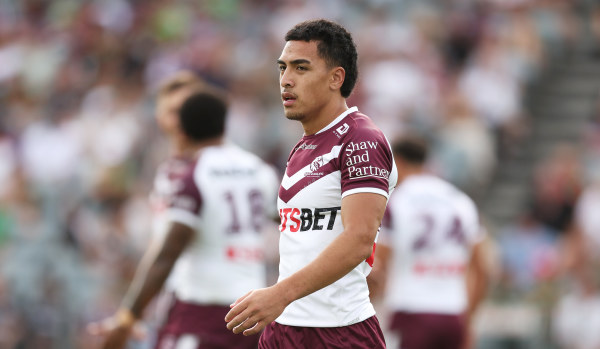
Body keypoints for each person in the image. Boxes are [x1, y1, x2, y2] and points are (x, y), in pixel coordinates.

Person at [224, 19, 397, 348]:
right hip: (284, 327)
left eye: (301, 68)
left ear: (336, 78)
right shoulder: (304, 145)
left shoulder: (361, 138)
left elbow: (360, 238)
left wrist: (280, 294)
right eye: (282, 68)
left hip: (338, 331)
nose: (286, 80)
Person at [88, 71, 279, 349]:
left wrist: (128, 316)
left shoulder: (190, 176)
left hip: (201, 308)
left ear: (184, 126)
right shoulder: (259, 170)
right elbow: (291, 226)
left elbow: (167, 252)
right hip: (252, 310)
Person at [368, 137, 490, 349]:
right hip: (453, 313)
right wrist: (468, 319)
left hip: (410, 310)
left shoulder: (397, 202)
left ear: (397, 162)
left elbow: (379, 265)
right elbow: (483, 268)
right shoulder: (461, 201)